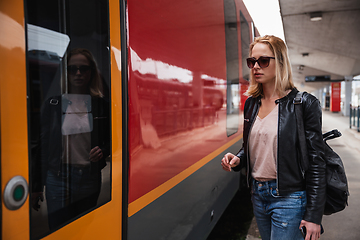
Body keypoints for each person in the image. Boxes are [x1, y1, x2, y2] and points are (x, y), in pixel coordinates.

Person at [221, 35, 326, 240]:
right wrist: (238, 158)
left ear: (280, 62)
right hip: (258, 196)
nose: (256, 67)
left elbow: (317, 162)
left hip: (289, 198)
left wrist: (314, 215)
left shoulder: (304, 104)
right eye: (252, 62)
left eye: (263, 61)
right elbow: (250, 145)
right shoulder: (251, 104)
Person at [31, 48, 110, 230]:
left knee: (84, 228)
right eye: (72, 68)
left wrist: (103, 151)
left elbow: (113, 139)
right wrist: (36, 186)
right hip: (58, 178)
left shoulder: (102, 105)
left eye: (84, 68)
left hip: (89, 178)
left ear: (91, 72)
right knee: (58, 229)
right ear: (66, 72)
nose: (78, 73)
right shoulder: (54, 104)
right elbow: (41, 147)